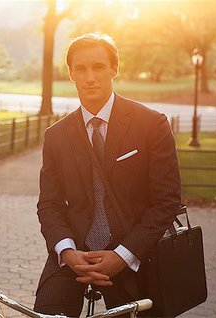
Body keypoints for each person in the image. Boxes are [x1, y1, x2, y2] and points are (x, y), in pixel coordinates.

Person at [33, 33, 181, 317]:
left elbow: (166, 202)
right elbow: (49, 204)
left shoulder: (152, 124)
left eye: (98, 67)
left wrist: (123, 255)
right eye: (81, 68)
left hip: (135, 251)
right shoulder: (56, 136)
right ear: (71, 73)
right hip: (74, 251)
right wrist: (66, 252)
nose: (90, 77)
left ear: (115, 69)